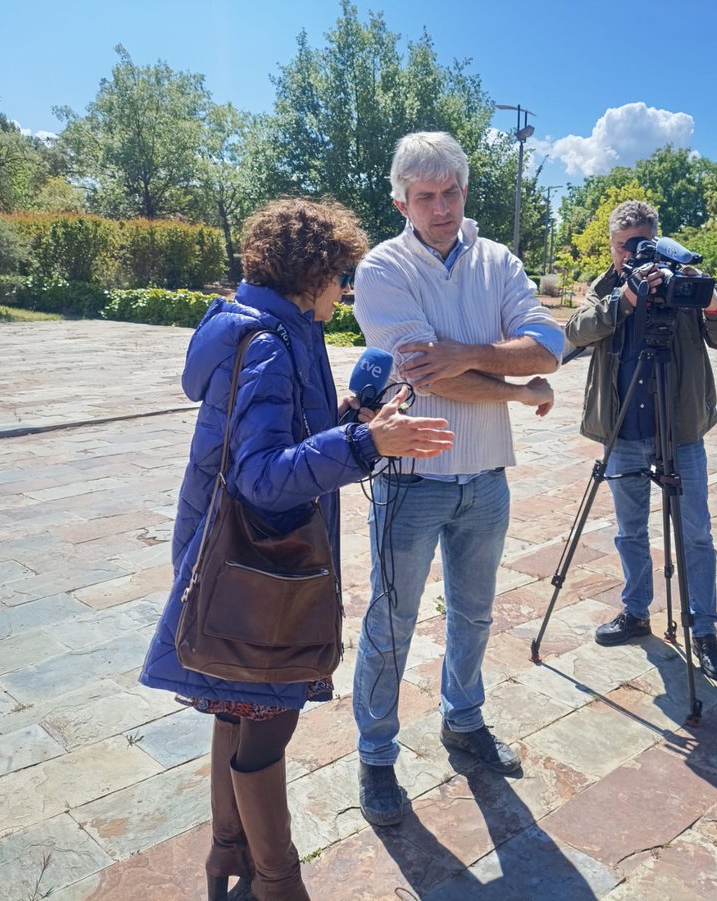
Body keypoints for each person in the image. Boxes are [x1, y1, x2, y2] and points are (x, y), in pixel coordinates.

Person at [139, 197, 453, 901]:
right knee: (265, 724)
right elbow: (262, 476)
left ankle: (228, 853)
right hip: (256, 566)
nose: (345, 289)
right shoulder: (272, 344)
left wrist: (350, 420)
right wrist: (368, 444)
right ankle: (277, 884)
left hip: (236, 558)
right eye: (340, 274)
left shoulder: (278, 328)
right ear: (309, 274)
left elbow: (282, 436)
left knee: (234, 704)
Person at [349, 131, 564, 827]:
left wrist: (474, 358)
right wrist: (517, 390)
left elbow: (550, 346)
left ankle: (463, 720)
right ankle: (376, 754)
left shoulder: (497, 260)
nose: (440, 208)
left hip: (484, 479)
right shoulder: (383, 268)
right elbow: (421, 372)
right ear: (400, 200)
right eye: (424, 197)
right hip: (410, 478)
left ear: (465, 191)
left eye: (450, 193)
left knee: (473, 612)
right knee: (391, 622)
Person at [564, 200, 717, 682]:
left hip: (680, 432)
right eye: (625, 247)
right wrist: (623, 300)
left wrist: (710, 301)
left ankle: (704, 630)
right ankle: (636, 611)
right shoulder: (604, 291)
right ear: (611, 247)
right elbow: (574, 335)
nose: (634, 256)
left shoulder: (683, 287)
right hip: (623, 431)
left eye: (644, 245)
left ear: (658, 241)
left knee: (696, 534)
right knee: (629, 531)